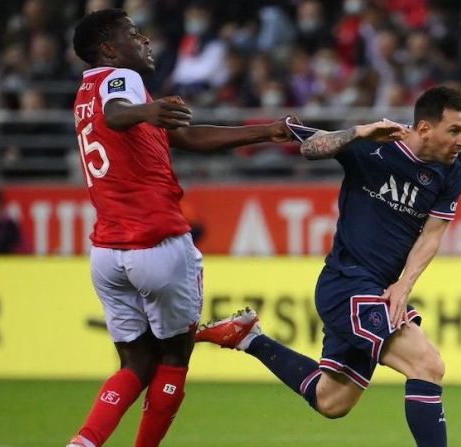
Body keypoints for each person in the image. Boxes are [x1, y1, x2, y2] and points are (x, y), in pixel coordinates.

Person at [66, 9, 296, 447]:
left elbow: (188, 137)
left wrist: (266, 131)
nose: (145, 40)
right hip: (157, 241)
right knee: (174, 355)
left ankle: (84, 442)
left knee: (135, 364)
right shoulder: (121, 80)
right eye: (133, 34)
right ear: (109, 49)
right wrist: (148, 108)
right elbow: (117, 114)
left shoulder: (85, 95)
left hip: (108, 252)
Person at [196, 86, 461, 447]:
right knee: (427, 365)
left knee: (332, 401)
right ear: (423, 128)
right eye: (454, 130)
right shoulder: (375, 146)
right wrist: (357, 132)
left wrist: (405, 284)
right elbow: (310, 148)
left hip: (377, 288)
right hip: (347, 285)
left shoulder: (451, 169)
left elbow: (432, 235)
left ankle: (249, 337)